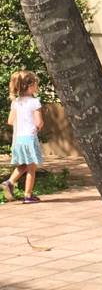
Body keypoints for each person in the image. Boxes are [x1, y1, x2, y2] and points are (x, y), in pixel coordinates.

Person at [2, 71, 44, 203]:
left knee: (25, 164)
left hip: (19, 139)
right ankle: (28, 195)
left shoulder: (16, 102)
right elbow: (39, 122)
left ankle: (10, 182)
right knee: (31, 168)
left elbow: (10, 121)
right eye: (35, 84)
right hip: (30, 138)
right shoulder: (34, 102)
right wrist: (37, 127)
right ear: (30, 85)